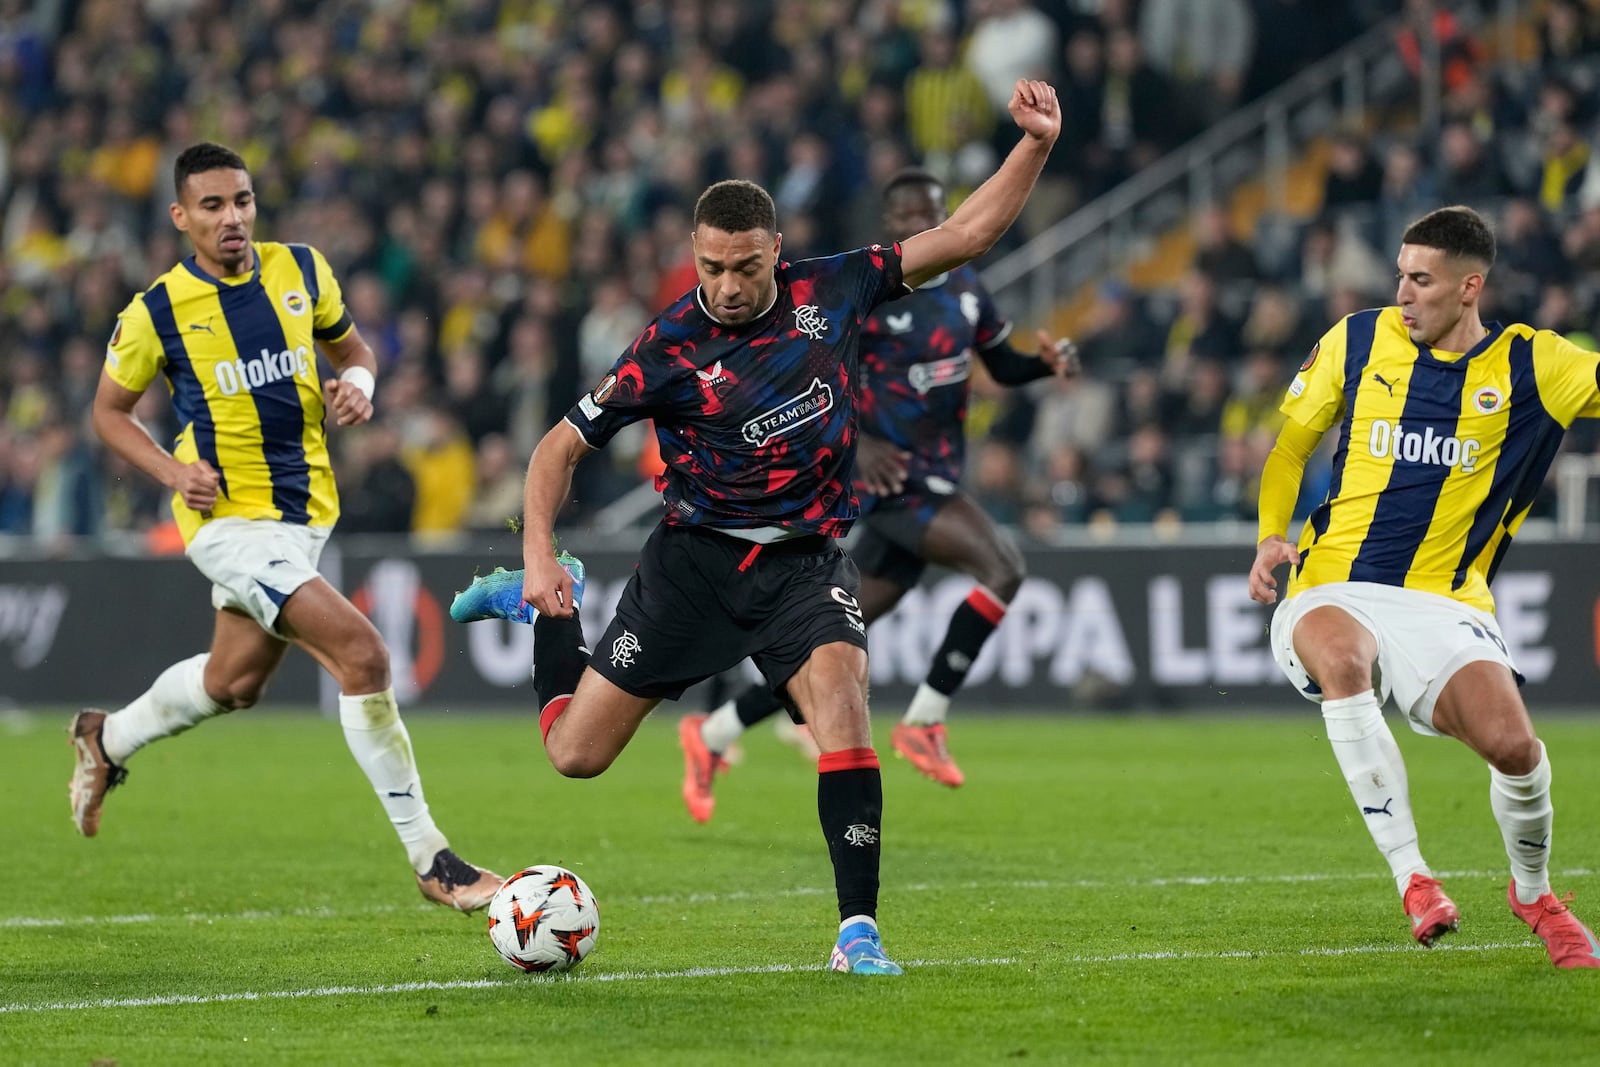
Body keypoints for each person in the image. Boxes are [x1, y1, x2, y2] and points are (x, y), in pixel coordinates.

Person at [450, 79, 1062, 976]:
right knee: (575, 756)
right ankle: (551, 610)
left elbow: (964, 235)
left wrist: (1036, 145)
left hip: (807, 565)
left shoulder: (838, 286)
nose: (728, 287)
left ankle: (858, 932)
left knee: (843, 712)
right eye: (711, 268)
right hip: (692, 566)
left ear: (777, 250)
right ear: (693, 256)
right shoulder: (664, 347)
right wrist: (539, 556)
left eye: (745, 267)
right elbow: (555, 448)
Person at [69, 143, 501, 912]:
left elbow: (354, 349)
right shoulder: (155, 312)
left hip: (306, 514)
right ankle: (432, 858)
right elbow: (107, 411)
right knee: (363, 654)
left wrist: (359, 387)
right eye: (212, 205)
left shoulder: (301, 269)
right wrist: (172, 473)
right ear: (180, 217)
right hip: (228, 522)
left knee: (231, 683)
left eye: (242, 200)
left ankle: (105, 739)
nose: (231, 217)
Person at [1247, 204, 1600, 969]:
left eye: (1421, 280)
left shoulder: (1534, 365)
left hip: (1444, 601)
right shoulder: (1357, 340)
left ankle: (1534, 893)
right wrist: (1273, 529)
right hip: (1331, 579)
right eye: (1399, 276)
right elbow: (1290, 447)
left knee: (1515, 749)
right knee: (1342, 659)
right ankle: (1415, 879)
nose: (1402, 293)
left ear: (1469, 286)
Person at [677, 166, 1076, 820]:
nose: (921, 225)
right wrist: (858, 445)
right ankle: (925, 719)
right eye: (908, 217)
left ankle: (713, 731)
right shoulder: (871, 299)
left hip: (938, 476)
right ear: (890, 226)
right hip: (889, 484)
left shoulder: (967, 290)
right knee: (1004, 566)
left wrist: (1044, 364)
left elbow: (1001, 362)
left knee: (825, 651)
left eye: (933, 212)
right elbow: (807, 374)